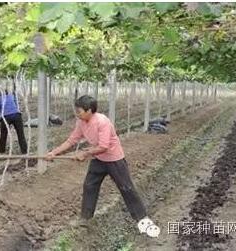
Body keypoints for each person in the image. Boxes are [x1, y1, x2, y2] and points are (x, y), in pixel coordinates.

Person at [46, 95, 160, 237]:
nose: (77, 113)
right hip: (99, 159)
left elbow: (104, 146)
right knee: (89, 186)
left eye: (79, 111)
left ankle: (143, 220)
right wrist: (53, 153)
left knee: (126, 188)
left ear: (89, 111)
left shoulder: (102, 121)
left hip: (114, 159)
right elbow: (71, 140)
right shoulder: (81, 122)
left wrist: (85, 153)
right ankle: (85, 218)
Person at [0, 89, 28, 154]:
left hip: (6, 117)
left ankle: (1, 151)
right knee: (21, 135)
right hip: (17, 116)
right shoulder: (11, 96)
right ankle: (25, 152)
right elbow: (15, 105)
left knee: (3, 135)